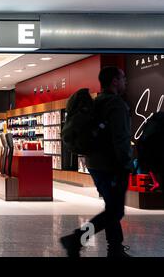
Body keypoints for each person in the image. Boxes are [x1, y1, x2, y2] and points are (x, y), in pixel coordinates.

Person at [60, 66, 133, 257]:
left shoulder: (97, 102)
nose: (126, 81)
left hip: (94, 163)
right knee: (115, 211)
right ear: (114, 81)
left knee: (112, 208)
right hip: (111, 165)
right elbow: (121, 137)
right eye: (123, 78)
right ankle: (76, 239)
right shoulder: (115, 104)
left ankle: (115, 249)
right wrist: (127, 163)